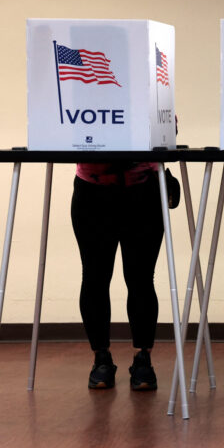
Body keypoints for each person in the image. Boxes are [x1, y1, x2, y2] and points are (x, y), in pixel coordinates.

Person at [71, 162, 165, 390]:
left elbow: (167, 128)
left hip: (142, 190)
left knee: (141, 278)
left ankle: (143, 358)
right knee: (95, 277)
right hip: (92, 190)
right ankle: (101, 358)